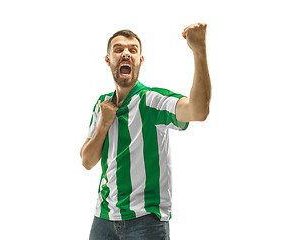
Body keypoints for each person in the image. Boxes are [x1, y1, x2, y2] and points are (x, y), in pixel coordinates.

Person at [80, 23, 211, 240]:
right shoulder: (102, 105)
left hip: (145, 221)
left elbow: (198, 110)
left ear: (140, 60)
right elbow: (87, 161)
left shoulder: (151, 101)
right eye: (118, 49)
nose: (126, 54)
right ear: (108, 60)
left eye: (133, 50)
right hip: (103, 218)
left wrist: (199, 50)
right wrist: (104, 123)